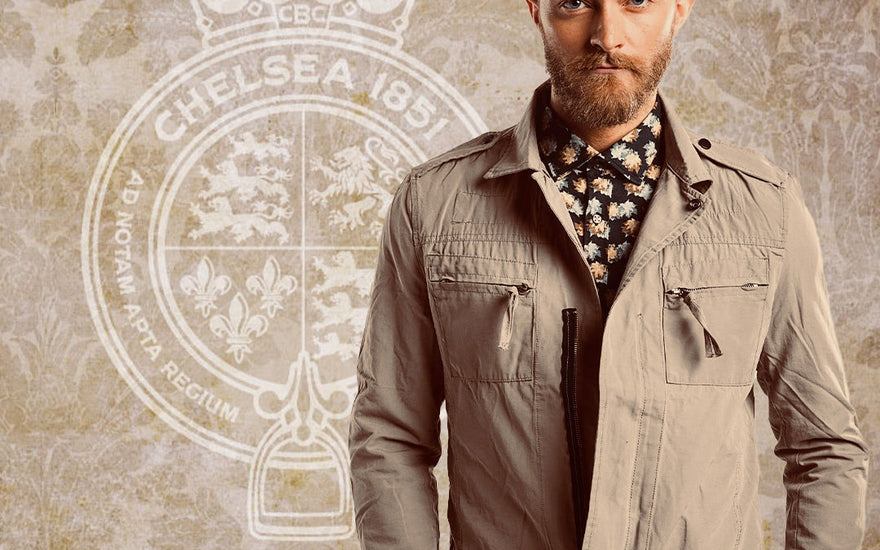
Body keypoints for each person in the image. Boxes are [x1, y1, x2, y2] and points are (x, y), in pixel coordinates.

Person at [348, 0, 869, 547]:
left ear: (680, 8)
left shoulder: (765, 207)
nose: (607, 34)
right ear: (536, 10)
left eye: (637, 1)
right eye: (574, 2)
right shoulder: (434, 204)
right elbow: (389, 437)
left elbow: (824, 446)